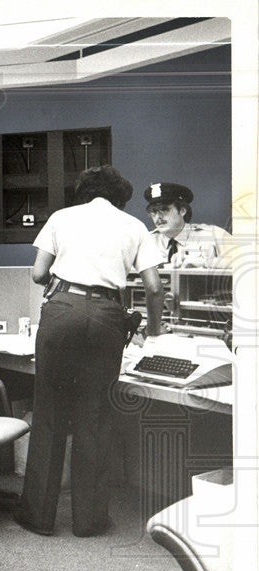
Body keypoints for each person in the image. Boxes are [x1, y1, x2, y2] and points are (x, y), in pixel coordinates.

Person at [14, 165, 166, 538]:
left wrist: (67, 286)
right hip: (107, 315)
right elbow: (154, 287)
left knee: (49, 410)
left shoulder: (61, 218)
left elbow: (37, 274)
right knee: (95, 416)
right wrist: (156, 330)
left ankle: (38, 517)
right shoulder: (135, 228)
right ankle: (90, 521)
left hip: (62, 308)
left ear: (84, 192)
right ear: (121, 197)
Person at [144, 182, 230, 268]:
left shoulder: (213, 235)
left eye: (164, 209)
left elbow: (241, 261)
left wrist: (204, 262)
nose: (158, 217)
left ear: (182, 211)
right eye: (154, 211)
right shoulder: (146, 241)